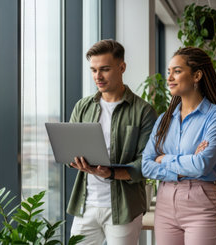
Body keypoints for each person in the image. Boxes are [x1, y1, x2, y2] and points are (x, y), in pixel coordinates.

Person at [67, 39, 157, 244]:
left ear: (122, 67)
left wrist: (111, 173)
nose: (97, 76)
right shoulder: (83, 107)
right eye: (93, 70)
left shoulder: (143, 111)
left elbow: (148, 163)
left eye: (104, 69)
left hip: (124, 209)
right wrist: (74, 159)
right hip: (86, 205)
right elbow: (69, 149)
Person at [141, 47, 216, 245]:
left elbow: (202, 165)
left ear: (196, 75)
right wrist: (186, 166)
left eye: (177, 71)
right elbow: (146, 165)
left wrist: (163, 159)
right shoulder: (164, 119)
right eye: (168, 72)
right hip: (164, 203)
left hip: (200, 205)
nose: (170, 78)